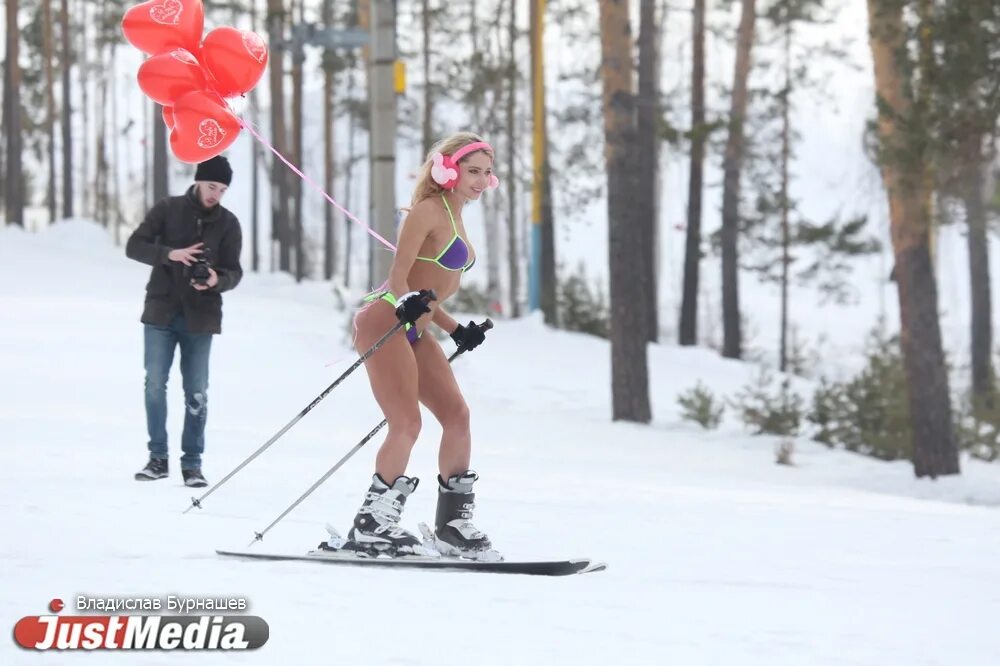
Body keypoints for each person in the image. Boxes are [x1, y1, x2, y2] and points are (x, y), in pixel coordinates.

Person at [326, 132, 499, 560]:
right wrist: (408, 303)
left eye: (487, 172)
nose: (481, 180)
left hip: (415, 327)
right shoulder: (428, 210)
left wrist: (456, 330)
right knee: (406, 423)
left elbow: (429, 294)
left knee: (457, 414)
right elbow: (401, 277)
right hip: (385, 319)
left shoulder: (457, 215)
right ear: (449, 170)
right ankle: (371, 526)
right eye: (472, 170)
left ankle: (453, 527)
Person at [126, 155, 243, 488]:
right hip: (161, 312)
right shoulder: (168, 209)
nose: (215, 194)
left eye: (221, 189)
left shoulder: (229, 224)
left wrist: (214, 280)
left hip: (201, 318)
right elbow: (134, 246)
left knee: (197, 392)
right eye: (211, 186)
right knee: (154, 385)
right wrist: (170, 254)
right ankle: (157, 458)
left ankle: (192, 464)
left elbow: (235, 272)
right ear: (197, 181)